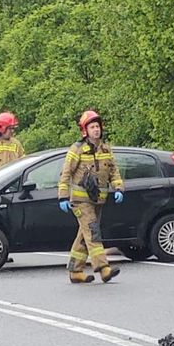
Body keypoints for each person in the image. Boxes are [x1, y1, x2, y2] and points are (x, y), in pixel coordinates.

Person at [58, 110, 125, 284]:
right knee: (93, 232)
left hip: (98, 200)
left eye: (98, 126)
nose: (96, 129)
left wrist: (118, 187)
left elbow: (113, 171)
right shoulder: (77, 149)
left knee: (84, 235)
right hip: (81, 201)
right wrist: (63, 197)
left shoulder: (105, 149)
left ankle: (75, 270)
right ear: (85, 130)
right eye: (92, 127)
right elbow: (65, 173)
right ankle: (104, 269)